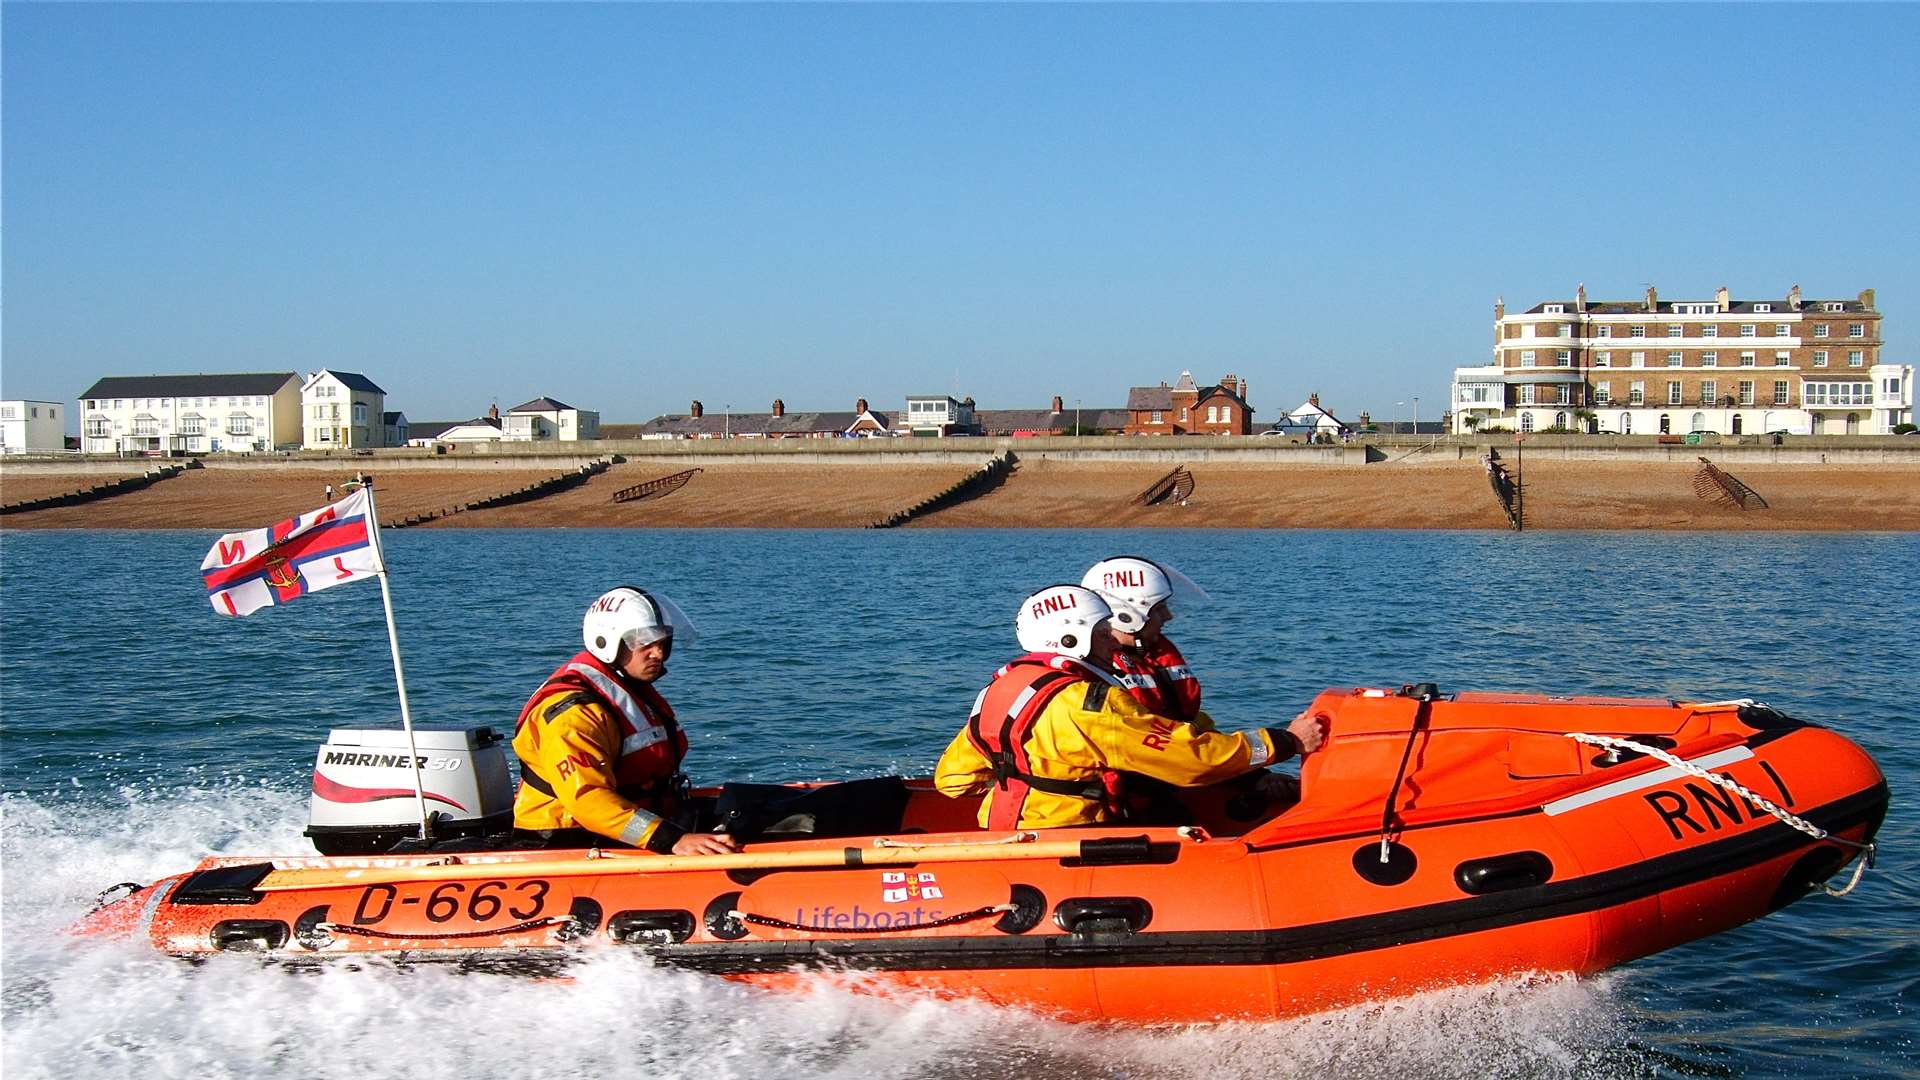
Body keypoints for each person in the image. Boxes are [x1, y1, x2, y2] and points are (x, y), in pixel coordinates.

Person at [934, 585, 1325, 830]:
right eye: (1103, 634)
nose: (1112, 643)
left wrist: (1025, 777)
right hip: (1071, 834)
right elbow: (1193, 760)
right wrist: (1285, 742)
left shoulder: (997, 690)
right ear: (1072, 639)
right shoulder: (1092, 705)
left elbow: (952, 781)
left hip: (1005, 831)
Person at [511, 586, 738, 855]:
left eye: (663, 642)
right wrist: (673, 840)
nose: (659, 654)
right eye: (646, 643)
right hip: (569, 837)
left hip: (639, 817)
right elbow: (588, 802)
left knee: (770, 808)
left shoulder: (626, 687)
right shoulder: (573, 715)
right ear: (607, 642)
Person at [1081, 555, 1209, 727]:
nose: (1168, 616)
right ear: (1125, 616)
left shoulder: (1149, 656)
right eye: (1159, 609)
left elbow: (1184, 722)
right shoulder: (1091, 675)